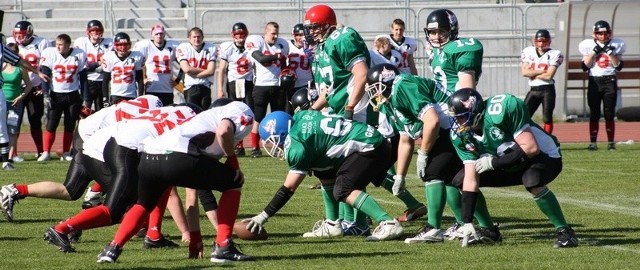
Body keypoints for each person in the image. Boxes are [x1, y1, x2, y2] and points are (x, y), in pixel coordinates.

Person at [96, 100, 255, 263]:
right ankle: (223, 246)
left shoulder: (199, 125)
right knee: (234, 182)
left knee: (143, 204)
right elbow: (223, 131)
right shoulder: (241, 110)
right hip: (178, 156)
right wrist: (233, 160)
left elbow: (191, 198)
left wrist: (195, 238)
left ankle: (112, 249)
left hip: (149, 157)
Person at [365, 63, 495, 244]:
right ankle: (479, 226)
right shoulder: (389, 103)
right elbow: (405, 139)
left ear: (386, 82)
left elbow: (432, 121)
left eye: (375, 88)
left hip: (452, 125)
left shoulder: (402, 85)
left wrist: (424, 153)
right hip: (444, 128)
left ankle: (433, 228)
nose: (375, 94)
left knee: (433, 172)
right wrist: (400, 176)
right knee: (453, 179)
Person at [43, 104, 200, 253]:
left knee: (154, 189)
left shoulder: (167, 116)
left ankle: (153, 234)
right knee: (117, 209)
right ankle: (62, 228)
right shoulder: (181, 124)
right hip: (104, 151)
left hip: (109, 147)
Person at [447, 88, 579, 248]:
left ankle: (565, 231)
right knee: (460, 180)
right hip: (508, 163)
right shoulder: (461, 136)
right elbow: (470, 178)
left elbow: (530, 148)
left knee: (532, 180)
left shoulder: (503, 108)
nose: (458, 123)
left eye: (461, 117)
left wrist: (493, 163)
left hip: (543, 156)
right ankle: (489, 231)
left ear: (475, 111)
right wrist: (467, 221)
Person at [244, 110, 404, 241]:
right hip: (369, 140)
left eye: (273, 141)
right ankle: (333, 224)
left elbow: (289, 188)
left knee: (343, 189)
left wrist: (262, 216)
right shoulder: (300, 117)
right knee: (323, 170)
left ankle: (388, 222)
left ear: (281, 133)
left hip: (370, 146)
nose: (274, 147)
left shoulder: (297, 147)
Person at [0, 95, 162, 222]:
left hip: (88, 134)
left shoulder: (132, 106)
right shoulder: (143, 117)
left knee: (71, 190)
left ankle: (16, 190)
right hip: (90, 139)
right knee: (125, 191)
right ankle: (87, 212)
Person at [37, 34, 88, 162]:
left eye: (61, 45)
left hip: (73, 94)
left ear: (68, 45)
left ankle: (66, 152)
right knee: (51, 124)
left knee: (69, 125)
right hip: (56, 94)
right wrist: (46, 94)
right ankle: (46, 152)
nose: (58, 47)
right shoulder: (50, 53)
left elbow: (83, 78)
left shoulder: (79, 54)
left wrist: (86, 97)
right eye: (57, 44)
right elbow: (45, 75)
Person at [578, 20, 626, 151]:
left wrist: (611, 54)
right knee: (594, 112)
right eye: (600, 33)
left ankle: (611, 142)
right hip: (594, 80)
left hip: (610, 80)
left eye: (605, 33)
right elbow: (584, 67)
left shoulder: (617, 44)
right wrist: (593, 53)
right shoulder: (587, 45)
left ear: (610, 33)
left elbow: (619, 66)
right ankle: (593, 142)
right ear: (594, 34)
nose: (603, 36)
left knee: (609, 112)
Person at [6, 21, 50, 160]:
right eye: (17, 34)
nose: (19, 37)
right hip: (16, 88)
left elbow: (45, 66)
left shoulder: (42, 43)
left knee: (35, 120)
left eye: (22, 34)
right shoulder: (9, 42)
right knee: (13, 122)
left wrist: (44, 86)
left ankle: (40, 152)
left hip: (34, 88)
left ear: (30, 32)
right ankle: (13, 154)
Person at [245, 22, 289, 158]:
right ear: (266, 33)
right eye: (272, 33)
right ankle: (255, 147)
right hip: (261, 86)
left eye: (277, 33)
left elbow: (283, 65)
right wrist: (277, 56)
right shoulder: (256, 41)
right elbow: (261, 59)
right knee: (258, 117)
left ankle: (278, 146)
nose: (275, 36)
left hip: (277, 85)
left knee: (278, 118)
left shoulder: (282, 44)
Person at [215, 22, 253, 156]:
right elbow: (222, 70)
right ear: (233, 35)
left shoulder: (251, 46)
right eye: (237, 34)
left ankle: (253, 146)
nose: (240, 37)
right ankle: (237, 145)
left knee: (248, 114)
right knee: (234, 114)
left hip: (248, 83)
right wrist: (220, 89)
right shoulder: (227, 47)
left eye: (242, 34)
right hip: (233, 83)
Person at [425, 9, 483, 92]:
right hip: (440, 98)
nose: (437, 37)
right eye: (433, 32)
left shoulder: (459, 48)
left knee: (405, 82)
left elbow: (468, 94)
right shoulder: (433, 49)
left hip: (456, 99)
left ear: (452, 30)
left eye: (441, 31)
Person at [521, 29, 563, 134]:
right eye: (539, 41)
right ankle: (526, 138)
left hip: (547, 90)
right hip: (533, 89)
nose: (541, 44)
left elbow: (549, 76)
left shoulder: (555, 54)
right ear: (535, 41)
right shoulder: (528, 51)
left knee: (547, 117)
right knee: (524, 116)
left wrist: (533, 74)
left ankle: (548, 140)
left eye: (543, 41)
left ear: (549, 41)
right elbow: (524, 72)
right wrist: (541, 71)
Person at [1, 43, 33, 169]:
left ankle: (10, 157)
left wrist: (21, 97)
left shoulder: (21, 68)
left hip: (15, 104)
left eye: (14, 52)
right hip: (2, 101)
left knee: (12, 130)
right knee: (1, 129)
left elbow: (29, 85)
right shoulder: (2, 66)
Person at [133, 24, 180, 106]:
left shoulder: (172, 46)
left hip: (167, 88)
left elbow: (184, 64)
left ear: (164, 34)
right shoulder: (145, 46)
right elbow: (137, 65)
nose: (159, 36)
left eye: (161, 34)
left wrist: (178, 80)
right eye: (156, 34)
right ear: (152, 35)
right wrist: (143, 79)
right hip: (151, 88)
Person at [73, 20, 113, 110]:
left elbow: (112, 64)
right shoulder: (81, 42)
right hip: (86, 81)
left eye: (98, 31)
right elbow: (81, 65)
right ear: (88, 32)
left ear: (102, 31)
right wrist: (97, 64)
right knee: (84, 110)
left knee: (101, 111)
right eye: (92, 31)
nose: (95, 33)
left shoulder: (110, 43)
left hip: (103, 82)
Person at [176, 27, 217, 110]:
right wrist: (206, 71)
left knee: (205, 114)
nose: (197, 39)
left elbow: (211, 71)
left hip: (205, 86)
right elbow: (186, 69)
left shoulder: (211, 48)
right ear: (189, 38)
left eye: (199, 37)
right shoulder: (184, 47)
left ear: (202, 38)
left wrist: (195, 74)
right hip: (190, 87)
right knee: (191, 113)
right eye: (194, 37)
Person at [101, 32, 145, 104]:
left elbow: (140, 80)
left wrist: (140, 97)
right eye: (119, 45)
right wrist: (105, 98)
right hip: (115, 95)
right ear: (115, 46)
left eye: (125, 45)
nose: (123, 48)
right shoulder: (109, 57)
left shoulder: (137, 56)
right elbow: (105, 81)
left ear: (129, 45)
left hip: (131, 95)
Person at [283, 23, 313, 115]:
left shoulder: (311, 46)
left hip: (307, 84)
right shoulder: (287, 46)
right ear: (293, 35)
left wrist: (312, 57)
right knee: (289, 111)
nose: (301, 38)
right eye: (298, 35)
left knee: (306, 111)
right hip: (291, 85)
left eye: (303, 35)